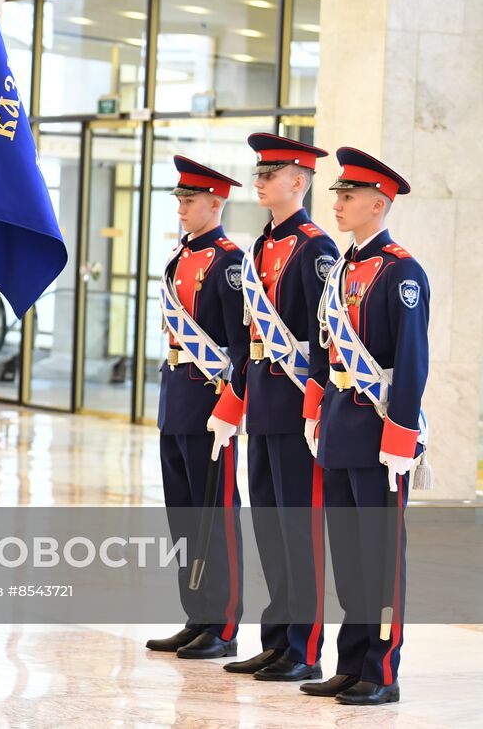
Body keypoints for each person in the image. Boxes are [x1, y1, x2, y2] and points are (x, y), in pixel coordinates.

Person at [300, 147, 427, 707]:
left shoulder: (402, 272)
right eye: (336, 194)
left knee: (379, 556)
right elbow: (325, 352)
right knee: (349, 556)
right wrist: (315, 412)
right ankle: (350, 663)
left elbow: (413, 357)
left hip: (379, 434)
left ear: (379, 204)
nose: (338, 202)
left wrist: (401, 435)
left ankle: (381, 670)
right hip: (343, 426)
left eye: (348, 195)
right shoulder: (344, 270)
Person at [223, 134, 337, 681]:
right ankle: (276, 639)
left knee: (299, 527)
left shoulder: (317, 250)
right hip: (265, 403)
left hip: (296, 405)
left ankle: (305, 648)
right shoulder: (260, 248)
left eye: (272, 172)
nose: (261, 179)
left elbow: (327, 338)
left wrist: (315, 402)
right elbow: (249, 337)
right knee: (269, 524)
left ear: (300, 180)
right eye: (260, 172)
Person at [145, 156, 246, 661]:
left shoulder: (228, 262)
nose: (182, 208)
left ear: (216, 202)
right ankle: (195, 614)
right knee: (182, 515)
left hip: (209, 400)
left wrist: (231, 404)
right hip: (176, 391)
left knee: (215, 514)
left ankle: (222, 622)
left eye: (191, 200)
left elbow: (239, 345)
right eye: (180, 200)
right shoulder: (181, 256)